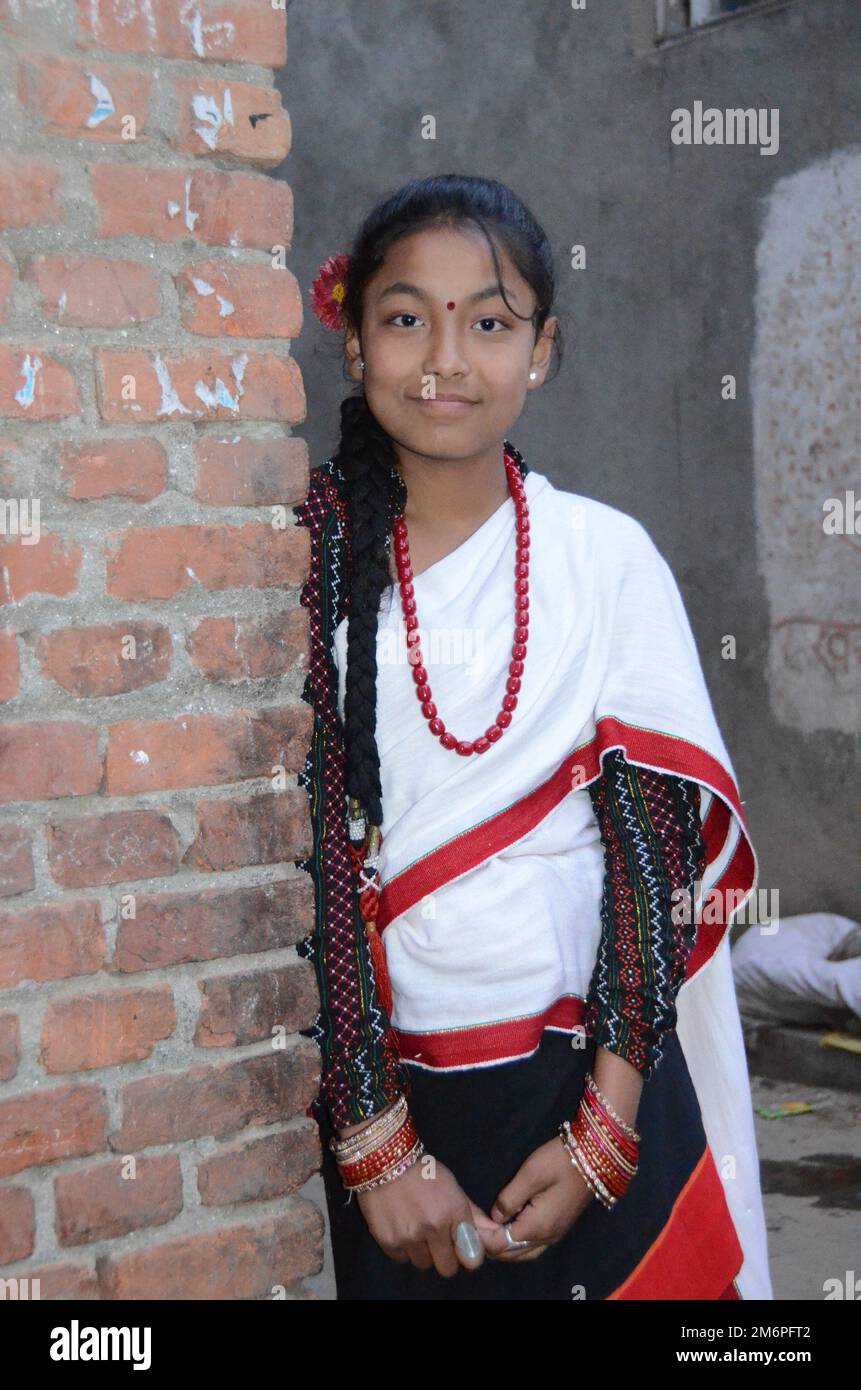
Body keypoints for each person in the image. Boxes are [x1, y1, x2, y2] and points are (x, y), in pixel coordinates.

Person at [294, 173, 773, 1300]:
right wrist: (376, 1143)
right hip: (397, 1107)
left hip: (597, 1081)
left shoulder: (604, 559)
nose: (447, 358)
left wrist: (607, 1126)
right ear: (356, 344)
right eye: (407, 318)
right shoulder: (302, 566)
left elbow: (649, 862)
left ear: (541, 351)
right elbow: (305, 859)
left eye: (491, 323)